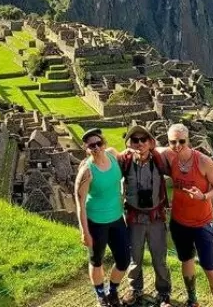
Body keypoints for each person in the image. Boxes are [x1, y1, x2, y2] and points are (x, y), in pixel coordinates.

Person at [161, 123, 213, 307]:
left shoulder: (203, 161)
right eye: (173, 142)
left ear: (188, 140)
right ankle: (192, 300)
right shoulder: (169, 156)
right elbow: (150, 148)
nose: (177, 145)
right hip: (179, 222)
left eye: (182, 141)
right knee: (186, 260)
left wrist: (203, 196)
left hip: (202, 223)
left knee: (211, 269)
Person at [75, 128, 130, 307]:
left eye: (99, 143)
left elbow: (128, 155)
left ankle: (112, 290)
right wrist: (84, 232)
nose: (96, 147)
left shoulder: (113, 155)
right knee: (96, 260)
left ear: (104, 143)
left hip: (116, 218)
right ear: (87, 149)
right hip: (96, 222)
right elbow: (80, 204)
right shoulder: (86, 172)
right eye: (92, 145)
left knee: (123, 259)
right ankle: (100, 294)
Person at [118, 125, 172, 307]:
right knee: (135, 257)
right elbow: (105, 160)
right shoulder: (125, 161)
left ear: (151, 142)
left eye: (143, 140)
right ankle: (135, 289)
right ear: (129, 144)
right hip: (134, 218)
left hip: (156, 218)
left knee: (159, 258)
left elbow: (175, 156)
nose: (139, 143)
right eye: (135, 140)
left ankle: (163, 292)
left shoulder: (159, 160)